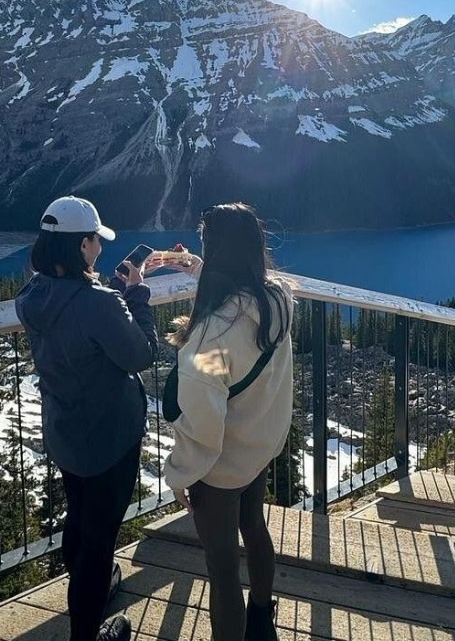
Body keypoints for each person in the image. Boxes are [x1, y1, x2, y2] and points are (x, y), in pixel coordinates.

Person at [15, 195, 157, 641]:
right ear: (81, 246)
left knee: (78, 519)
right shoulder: (97, 302)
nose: (99, 246)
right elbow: (141, 354)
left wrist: (110, 295)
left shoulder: (32, 295)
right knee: (99, 538)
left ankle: (90, 590)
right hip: (109, 436)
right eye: (95, 239)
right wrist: (138, 296)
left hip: (66, 430)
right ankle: (87, 632)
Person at [157, 203, 294, 641]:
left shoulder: (208, 339)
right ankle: (261, 620)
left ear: (216, 252)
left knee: (221, 567)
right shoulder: (277, 299)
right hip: (257, 446)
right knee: (254, 527)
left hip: (220, 467)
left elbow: (201, 428)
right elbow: (241, 314)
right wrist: (201, 271)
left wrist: (180, 475)